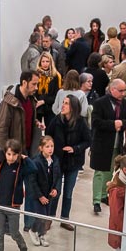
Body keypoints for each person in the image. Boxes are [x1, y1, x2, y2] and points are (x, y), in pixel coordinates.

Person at [89, 79, 126, 214]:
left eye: (124, 90)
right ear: (112, 89)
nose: (123, 93)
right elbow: (96, 122)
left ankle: (103, 195)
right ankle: (96, 201)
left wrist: (121, 124)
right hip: (102, 143)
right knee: (99, 171)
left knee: (110, 170)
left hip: (116, 143)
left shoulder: (124, 104)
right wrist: (113, 124)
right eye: (121, 90)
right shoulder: (100, 103)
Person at [49, 94, 91, 223]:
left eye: (66, 103)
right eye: (63, 102)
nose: (63, 105)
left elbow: (88, 140)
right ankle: (49, 218)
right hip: (58, 161)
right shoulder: (56, 120)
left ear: (73, 107)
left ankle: (64, 219)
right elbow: (48, 137)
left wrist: (75, 148)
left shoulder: (80, 122)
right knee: (56, 191)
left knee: (68, 193)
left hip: (73, 162)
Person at [24, 135, 61, 247]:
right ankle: (33, 230)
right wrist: (40, 196)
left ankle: (42, 234)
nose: (50, 149)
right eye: (47, 146)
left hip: (48, 194)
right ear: (41, 148)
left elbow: (58, 176)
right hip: (38, 195)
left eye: (52, 146)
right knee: (41, 215)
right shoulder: (36, 162)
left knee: (45, 216)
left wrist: (56, 189)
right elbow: (32, 181)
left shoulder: (55, 160)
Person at [0, 71, 42, 155]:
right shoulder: (8, 103)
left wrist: (36, 123)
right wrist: (7, 154)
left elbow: (24, 118)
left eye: (37, 84)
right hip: (14, 153)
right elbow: (2, 130)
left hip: (28, 150)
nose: (36, 88)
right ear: (24, 83)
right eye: (34, 84)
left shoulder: (31, 100)